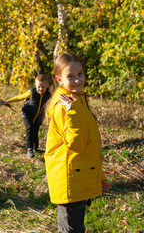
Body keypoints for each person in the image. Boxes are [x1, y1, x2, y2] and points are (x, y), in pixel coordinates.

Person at [44, 53, 111, 233]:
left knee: (75, 227)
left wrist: (100, 176)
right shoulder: (65, 106)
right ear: (59, 79)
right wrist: (71, 113)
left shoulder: (78, 99)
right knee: (71, 229)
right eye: (70, 76)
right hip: (69, 179)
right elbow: (77, 144)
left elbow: (90, 146)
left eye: (80, 74)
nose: (77, 80)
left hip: (78, 175)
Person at [4, 74, 51, 158]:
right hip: (27, 114)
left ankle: (35, 148)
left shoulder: (49, 95)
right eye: (38, 87)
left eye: (43, 87)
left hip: (38, 117)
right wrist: (8, 101)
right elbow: (20, 97)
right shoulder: (32, 92)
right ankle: (29, 149)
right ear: (36, 85)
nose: (40, 89)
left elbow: (50, 106)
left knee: (35, 131)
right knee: (29, 129)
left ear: (47, 85)